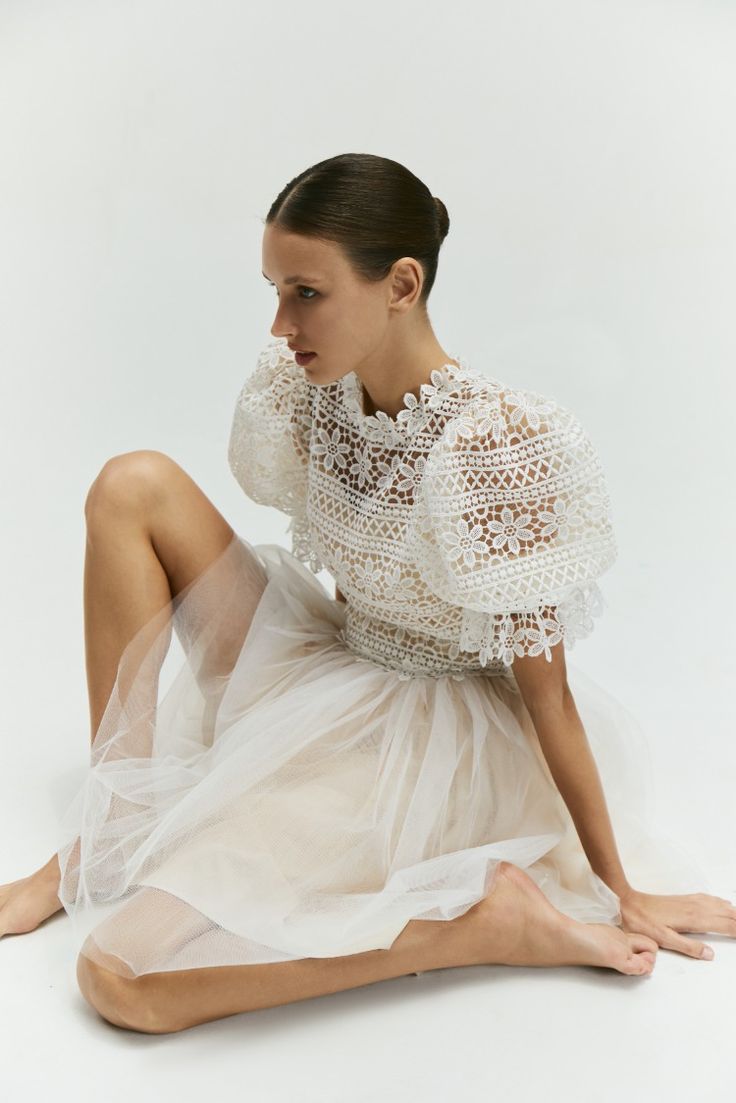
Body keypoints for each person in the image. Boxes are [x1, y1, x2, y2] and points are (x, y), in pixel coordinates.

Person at [2, 152, 734, 1035]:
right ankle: (110, 827)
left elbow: (551, 696)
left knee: (119, 977)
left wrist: (620, 886)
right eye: (275, 290)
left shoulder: (493, 444)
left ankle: (478, 929)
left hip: (439, 742)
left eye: (305, 292)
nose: (280, 323)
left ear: (401, 283)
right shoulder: (314, 391)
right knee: (132, 483)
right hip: (335, 664)